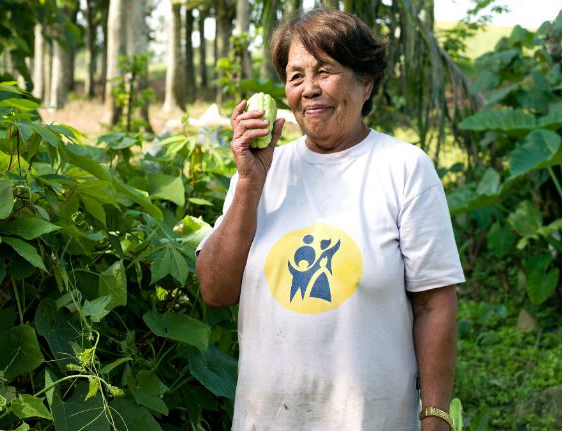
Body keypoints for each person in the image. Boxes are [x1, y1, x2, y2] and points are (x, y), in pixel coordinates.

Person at [196, 8, 464, 431]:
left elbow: (434, 303)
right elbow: (215, 290)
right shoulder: (259, 173)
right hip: (266, 420)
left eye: (325, 72)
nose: (309, 90)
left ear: (366, 82)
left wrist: (435, 416)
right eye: (296, 76)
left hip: (374, 420)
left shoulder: (404, 168)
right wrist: (250, 181)